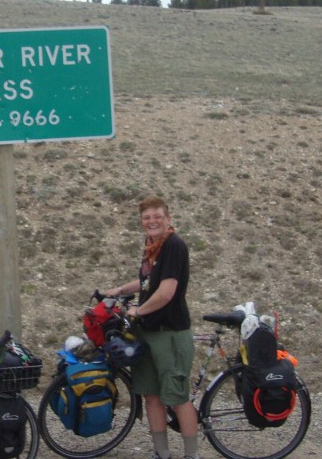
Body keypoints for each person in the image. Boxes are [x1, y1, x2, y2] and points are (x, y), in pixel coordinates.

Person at [104, 196, 198, 459]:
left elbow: (166, 292)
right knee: (152, 396)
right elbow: (147, 282)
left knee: (178, 398)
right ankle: (162, 453)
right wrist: (120, 290)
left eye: (157, 216)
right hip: (148, 332)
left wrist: (138, 310)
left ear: (167, 218)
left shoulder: (173, 246)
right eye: (147, 218)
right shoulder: (152, 246)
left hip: (170, 333)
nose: (152, 221)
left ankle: (191, 455)